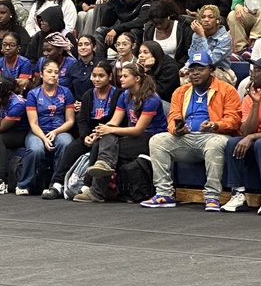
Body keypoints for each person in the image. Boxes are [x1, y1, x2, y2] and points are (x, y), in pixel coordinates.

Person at [140, 51, 241, 210]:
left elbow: (234, 120)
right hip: (186, 138)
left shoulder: (226, 90)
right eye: (192, 70)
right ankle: (164, 194)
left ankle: (212, 196)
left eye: (200, 69)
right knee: (157, 140)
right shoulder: (181, 91)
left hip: (213, 136)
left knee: (215, 143)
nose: (195, 73)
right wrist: (177, 129)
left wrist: (215, 125)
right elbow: (173, 117)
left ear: (211, 70)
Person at [74, 61, 167, 203]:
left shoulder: (151, 99)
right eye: (121, 76)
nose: (121, 79)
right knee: (104, 138)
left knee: (106, 147)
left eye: (125, 76)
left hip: (151, 139)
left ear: (137, 78)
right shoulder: (125, 95)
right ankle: (99, 175)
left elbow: (138, 130)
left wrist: (109, 129)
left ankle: (93, 189)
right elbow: (114, 122)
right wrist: (99, 131)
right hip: (133, 138)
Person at [42, 60, 119, 199]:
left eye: (101, 76)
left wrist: (98, 134)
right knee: (71, 148)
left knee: (96, 147)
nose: (96, 79)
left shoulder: (117, 95)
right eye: (94, 75)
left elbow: (118, 120)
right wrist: (85, 136)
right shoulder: (88, 95)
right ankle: (57, 184)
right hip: (89, 134)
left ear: (110, 77)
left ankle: (87, 187)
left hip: (108, 134)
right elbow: (82, 120)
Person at [222, 57, 261, 215]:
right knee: (233, 143)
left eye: (257, 71)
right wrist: (256, 103)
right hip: (260, 141)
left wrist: (253, 137)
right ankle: (238, 194)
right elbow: (245, 132)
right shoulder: (250, 97)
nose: (252, 74)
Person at [17, 60, 76, 194]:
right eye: (49, 72)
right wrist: (44, 138)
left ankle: (57, 184)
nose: (53, 75)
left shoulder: (66, 92)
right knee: (36, 149)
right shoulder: (33, 94)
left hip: (59, 130)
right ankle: (24, 184)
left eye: (56, 72)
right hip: (38, 131)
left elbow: (70, 120)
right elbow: (33, 123)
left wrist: (55, 132)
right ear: (42, 74)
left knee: (66, 143)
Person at [187, 4, 236, 84]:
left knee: (205, 74)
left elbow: (211, 61)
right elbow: (192, 57)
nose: (206, 20)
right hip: (198, 70)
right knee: (182, 78)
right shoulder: (196, 35)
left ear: (217, 20)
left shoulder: (225, 38)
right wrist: (185, 68)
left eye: (211, 17)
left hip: (220, 72)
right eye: (203, 17)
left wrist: (202, 37)